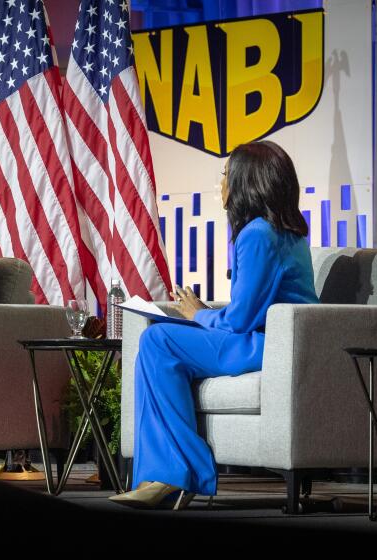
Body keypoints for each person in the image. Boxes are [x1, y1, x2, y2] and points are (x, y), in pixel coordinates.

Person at [110, 140, 319, 508]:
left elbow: (240, 321)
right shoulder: (285, 233)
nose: (220, 183)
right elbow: (250, 308)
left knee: (158, 341)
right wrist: (206, 314)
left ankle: (174, 474)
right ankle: (171, 472)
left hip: (264, 346)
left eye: (225, 174)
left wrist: (198, 315)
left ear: (246, 181)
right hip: (270, 341)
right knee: (159, 344)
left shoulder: (257, 234)